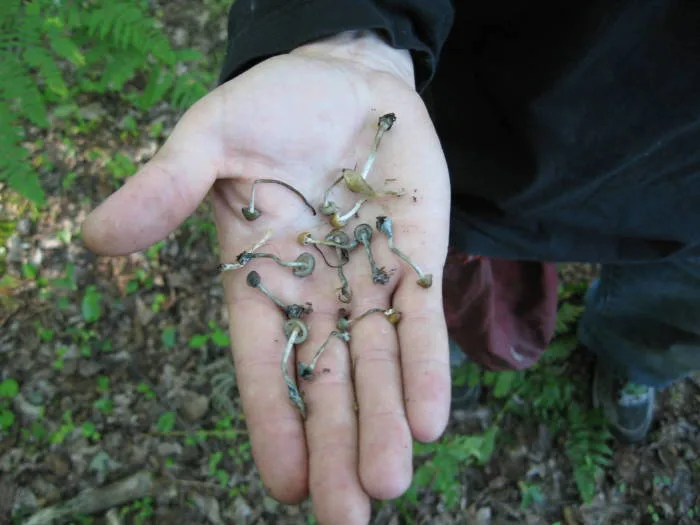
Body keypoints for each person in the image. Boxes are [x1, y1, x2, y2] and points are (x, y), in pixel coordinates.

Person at [82, 2, 700, 524]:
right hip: (472, 154)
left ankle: (633, 360)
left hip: (677, 213)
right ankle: (468, 326)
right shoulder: (387, 192)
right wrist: (345, 28)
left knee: (666, 313)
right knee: (444, 281)